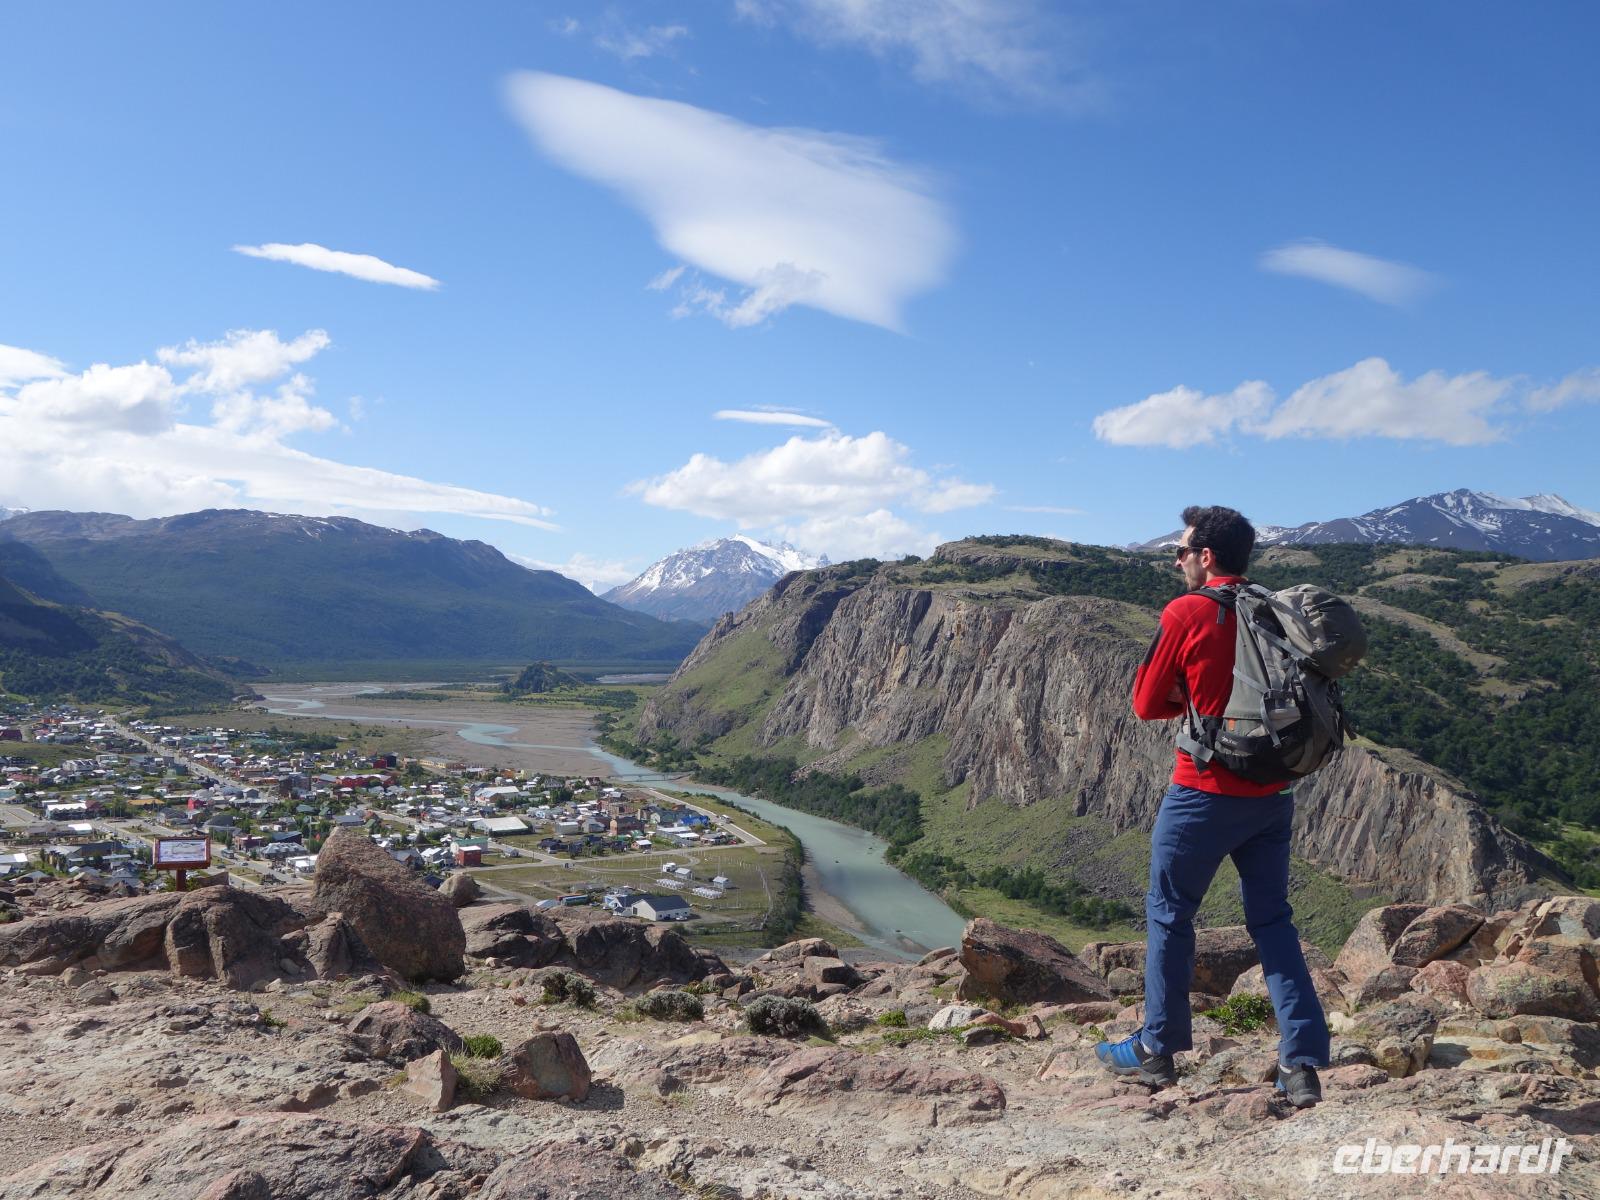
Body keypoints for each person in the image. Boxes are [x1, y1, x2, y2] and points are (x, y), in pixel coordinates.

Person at [1095, 504, 1328, 1109]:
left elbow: (1146, 703)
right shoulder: (1271, 609)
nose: (1177, 562)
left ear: (1205, 556)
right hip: (1272, 795)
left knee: (1170, 914)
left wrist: (1194, 697)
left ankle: (1157, 1049)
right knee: (1272, 923)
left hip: (1202, 793)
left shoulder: (1188, 610)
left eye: (1181, 552)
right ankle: (1301, 1062)